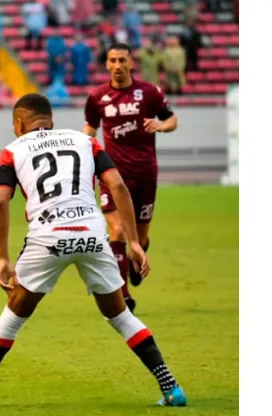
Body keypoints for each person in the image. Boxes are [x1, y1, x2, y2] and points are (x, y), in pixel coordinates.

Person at [0, 93, 187, 408]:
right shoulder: (85, 142)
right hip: (93, 234)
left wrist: (2, 257)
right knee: (120, 314)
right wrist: (133, 242)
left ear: (18, 124)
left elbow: (0, 201)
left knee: (14, 312)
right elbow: (118, 186)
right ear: (51, 122)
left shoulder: (10, 152)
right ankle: (171, 387)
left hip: (47, 238)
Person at [83, 43, 178, 312]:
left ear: (130, 63)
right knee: (119, 230)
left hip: (145, 173)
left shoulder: (149, 93)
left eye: (121, 60)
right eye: (112, 60)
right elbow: (90, 128)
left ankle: (137, 258)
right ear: (107, 64)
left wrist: (161, 125)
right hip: (112, 174)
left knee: (141, 235)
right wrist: (81, 148)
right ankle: (123, 295)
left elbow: (172, 119)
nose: (117, 65)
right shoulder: (97, 97)